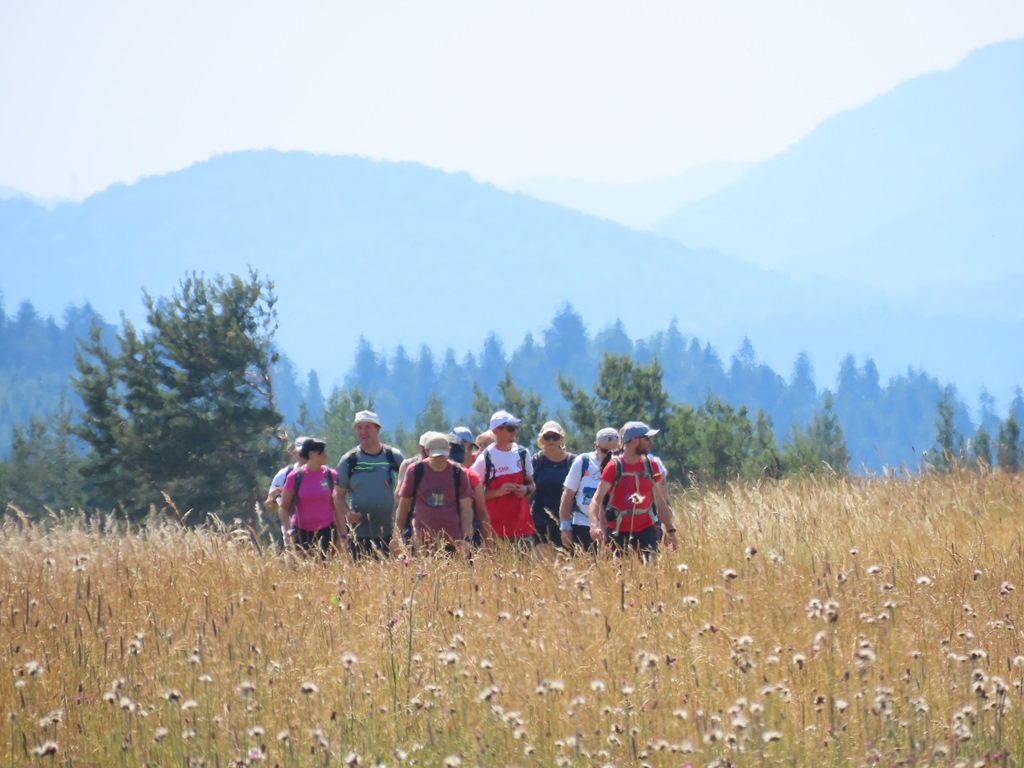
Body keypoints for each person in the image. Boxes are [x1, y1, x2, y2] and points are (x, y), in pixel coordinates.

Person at [589, 421, 678, 556]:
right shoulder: (613, 467)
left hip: (647, 531)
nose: (651, 442)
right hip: (618, 532)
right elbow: (596, 500)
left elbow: (659, 501)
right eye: (647, 438)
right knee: (620, 569)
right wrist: (594, 526)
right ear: (635, 441)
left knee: (650, 569)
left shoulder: (651, 466)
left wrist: (670, 530)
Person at [336, 410, 405, 559]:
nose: (363, 432)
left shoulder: (393, 457)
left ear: (377, 429)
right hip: (358, 535)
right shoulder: (349, 460)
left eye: (368, 427)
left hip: (390, 534)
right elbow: (338, 494)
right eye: (359, 428)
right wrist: (347, 513)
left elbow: (409, 488)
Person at [394, 433, 474, 556]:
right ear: (427, 451)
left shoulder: (458, 473)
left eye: (443, 455)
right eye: (436, 456)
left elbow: (466, 509)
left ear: (449, 451)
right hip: (421, 543)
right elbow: (404, 504)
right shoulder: (415, 470)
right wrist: (397, 535)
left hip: (452, 542)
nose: (440, 459)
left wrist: (466, 539)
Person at [471, 410, 535, 545]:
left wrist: (525, 489)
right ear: (496, 431)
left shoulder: (523, 453)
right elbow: (473, 495)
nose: (515, 431)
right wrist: (497, 492)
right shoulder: (485, 459)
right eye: (510, 428)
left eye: (516, 427)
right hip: (495, 531)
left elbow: (532, 485)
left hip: (522, 528)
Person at [278, 438, 345, 557]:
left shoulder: (331, 475)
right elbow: (283, 507)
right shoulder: (295, 477)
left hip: (327, 531)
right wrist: (288, 530)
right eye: (322, 452)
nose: (326, 455)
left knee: (324, 566)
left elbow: (338, 507)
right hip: (301, 533)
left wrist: (343, 535)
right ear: (311, 453)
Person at [558, 427, 620, 551]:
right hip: (583, 524)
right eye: (605, 451)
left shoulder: (622, 465)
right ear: (595, 445)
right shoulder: (583, 462)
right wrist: (565, 527)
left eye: (615, 452)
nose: (610, 456)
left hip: (614, 526)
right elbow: (568, 495)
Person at [530, 420, 575, 546]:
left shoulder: (572, 462)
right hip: (539, 520)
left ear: (561, 439)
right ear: (541, 439)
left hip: (566, 521)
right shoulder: (536, 461)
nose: (551, 440)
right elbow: (530, 488)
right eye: (547, 437)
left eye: (555, 437)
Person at [264, 436, 311, 537]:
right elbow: (270, 508)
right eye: (302, 453)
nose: (306, 456)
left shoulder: (323, 473)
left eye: (308, 453)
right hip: (292, 532)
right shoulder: (284, 475)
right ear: (295, 453)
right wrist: (272, 498)